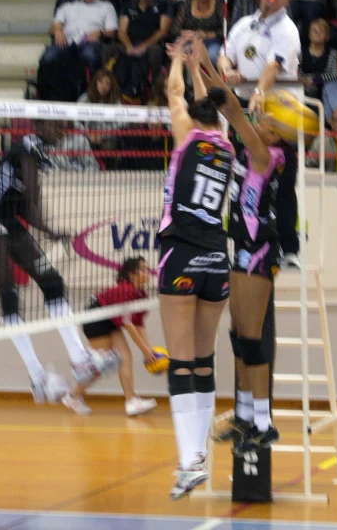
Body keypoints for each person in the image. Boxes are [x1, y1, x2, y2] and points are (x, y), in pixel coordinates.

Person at [0, 120, 120, 404]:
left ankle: (80, 359)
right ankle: (37, 375)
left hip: (10, 222)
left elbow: (30, 210)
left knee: (52, 281)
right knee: (10, 293)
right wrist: (51, 230)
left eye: (64, 128)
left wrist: (55, 233)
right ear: (42, 125)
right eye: (57, 126)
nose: (62, 132)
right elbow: (32, 202)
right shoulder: (27, 148)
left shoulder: (40, 155)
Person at [195, 39, 286, 454]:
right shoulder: (249, 151)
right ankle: (246, 415)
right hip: (241, 244)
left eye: (266, 120)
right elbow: (218, 107)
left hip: (260, 246)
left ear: (275, 134)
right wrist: (201, 68)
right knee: (238, 336)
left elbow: (232, 108)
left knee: (250, 338)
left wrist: (210, 66)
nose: (260, 117)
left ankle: (264, 423)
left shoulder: (268, 154)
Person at [158, 37, 233, 500]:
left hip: (182, 254)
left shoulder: (187, 134)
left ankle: (189, 463)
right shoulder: (225, 143)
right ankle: (199, 455)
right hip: (216, 260)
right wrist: (199, 65)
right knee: (203, 360)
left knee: (181, 362)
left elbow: (174, 95)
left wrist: (177, 64)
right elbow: (211, 102)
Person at [217, 0, 301, 267]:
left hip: (278, 108)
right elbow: (224, 55)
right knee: (242, 174)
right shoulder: (243, 24)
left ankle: (288, 247)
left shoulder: (287, 29)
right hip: (245, 106)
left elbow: (273, 67)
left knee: (282, 178)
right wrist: (228, 70)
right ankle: (242, 240)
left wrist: (260, 92)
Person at [63, 257, 158, 416]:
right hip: (96, 320)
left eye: (147, 269)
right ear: (131, 274)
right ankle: (73, 396)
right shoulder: (125, 290)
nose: (147, 272)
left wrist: (148, 349)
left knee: (124, 357)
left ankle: (131, 401)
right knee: (101, 364)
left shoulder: (141, 294)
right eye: (142, 269)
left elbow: (139, 324)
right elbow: (128, 324)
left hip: (110, 322)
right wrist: (144, 349)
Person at [37, 0, 118, 102]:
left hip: (90, 42)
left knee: (89, 56)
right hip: (66, 42)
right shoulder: (67, 6)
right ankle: (51, 96)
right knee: (47, 58)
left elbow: (112, 31)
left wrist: (101, 33)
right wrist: (57, 31)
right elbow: (53, 27)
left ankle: (87, 96)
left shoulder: (106, 7)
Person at [116, 0, 173, 99]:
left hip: (152, 45)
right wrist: (129, 46)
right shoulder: (128, 5)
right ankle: (114, 89)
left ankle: (154, 88)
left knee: (154, 51)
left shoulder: (164, 3)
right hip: (131, 44)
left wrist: (144, 46)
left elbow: (163, 30)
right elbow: (122, 31)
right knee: (108, 49)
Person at [171, 0, 224, 66]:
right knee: (182, 52)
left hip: (213, 40)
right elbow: (174, 29)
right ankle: (186, 80)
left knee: (212, 54)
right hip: (191, 40)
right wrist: (184, 32)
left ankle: (211, 80)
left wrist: (208, 34)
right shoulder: (187, 5)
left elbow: (227, 28)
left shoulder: (220, 5)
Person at [299, 17, 337, 100]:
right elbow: (296, 70)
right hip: (303, 86)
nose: (318, 33)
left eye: (321, 30)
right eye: (314, 31)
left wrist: (315, 80)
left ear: (326, 36)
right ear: (310, 35)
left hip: (325, 88)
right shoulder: (301, 52)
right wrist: (303, 80)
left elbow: (335, 74)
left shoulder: (332, 53)